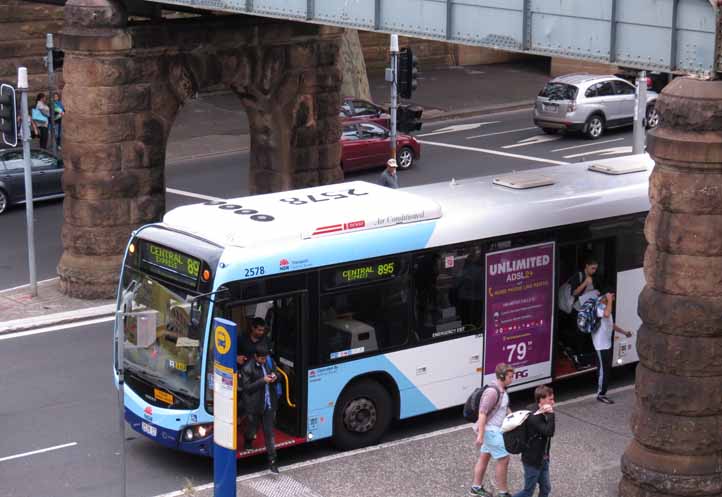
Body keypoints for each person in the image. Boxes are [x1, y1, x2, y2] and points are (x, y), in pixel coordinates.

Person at [470, 363, 515, 497]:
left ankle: (475, 488)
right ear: (502, 377)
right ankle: (503, 493)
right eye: (510, 377)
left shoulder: (502, 390)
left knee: (485, 457)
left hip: (494, 430)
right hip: (491, 431)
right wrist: (481, 435)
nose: (512, 379)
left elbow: (504, 407)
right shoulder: (492, 392)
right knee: (504, 459)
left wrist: (513, 418)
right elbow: (482, 413)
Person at [240, 342, 281, 473]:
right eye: (262, 358)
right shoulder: (247, 368)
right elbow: (247, 388)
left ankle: (273, 461)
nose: (264, 361)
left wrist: (275, 377)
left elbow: (277, 374)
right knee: (253, 428)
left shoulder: (269, 362)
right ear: (256, 357)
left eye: (265, 358)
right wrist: (263, 380)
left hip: (268, 404)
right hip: (255, 405)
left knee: (269, 433)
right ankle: (248, 440)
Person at [512, 385, 556, 497]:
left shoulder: (539, 411)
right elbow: (549, 432)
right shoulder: (534, 417)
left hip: (543, 458)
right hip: (533, 461)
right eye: (550, 399)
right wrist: (551, 415)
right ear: (541, 400)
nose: (553, 402)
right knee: (528, 491)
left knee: (546, 488)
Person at [591, 291, 633, 404]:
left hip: (606, 344)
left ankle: (602, 392)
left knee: (605, 369)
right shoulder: (599, 307)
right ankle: (601, 394)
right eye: (613, 296)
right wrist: (608, 300)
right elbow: (606, 314)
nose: (614, 299)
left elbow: (611, 324)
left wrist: (624, 332)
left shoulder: (605, 306)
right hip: (600, 345)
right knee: (603, 371)